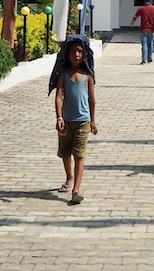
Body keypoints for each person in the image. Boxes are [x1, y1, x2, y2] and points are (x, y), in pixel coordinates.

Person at [52, 37, 98, 203]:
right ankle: (69, 177)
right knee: (65, 152)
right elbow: (58, 97)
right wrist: (59, 117)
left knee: (79, 155)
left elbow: (92, 100)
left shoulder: (88, 76)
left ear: (84, 55)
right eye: (73, 52)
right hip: (65, 121)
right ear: (67, 54)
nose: (76, 55)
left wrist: (93, 121)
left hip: (83, 121)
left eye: (79, 52)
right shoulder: (63, 75)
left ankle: (76, 189)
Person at [131, 0, 154, 64]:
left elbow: (135, 17)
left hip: (143, 29)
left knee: (144, 44)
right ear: (151, 2)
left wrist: (132, 23)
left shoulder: (141, 9)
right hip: (152, 29)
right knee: (150, 44)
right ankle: (149, 58)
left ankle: (144, 60)